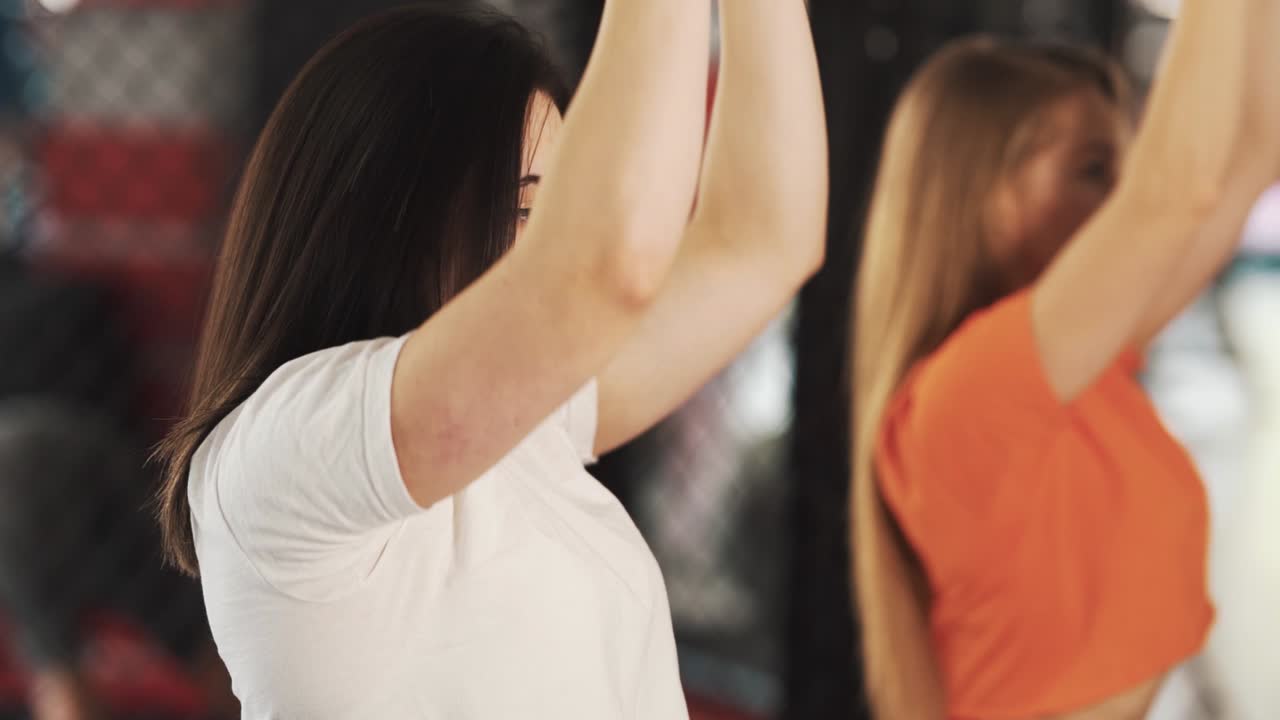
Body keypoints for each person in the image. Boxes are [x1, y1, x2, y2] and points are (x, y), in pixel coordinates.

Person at [152, 1, 826, 717]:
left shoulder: (523, 428)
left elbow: (761, 240)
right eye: (532, 207)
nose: (555, 240)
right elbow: (606, 262)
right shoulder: (275, 457)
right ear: (394, 211)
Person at [849, 0, 1280, 717]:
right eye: (1092, 169)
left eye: (1123, 171)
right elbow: (1175, 196)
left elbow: (1252, 152)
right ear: (973, 194)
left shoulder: (1080, 374)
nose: (1120, 202)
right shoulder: (967, 394)